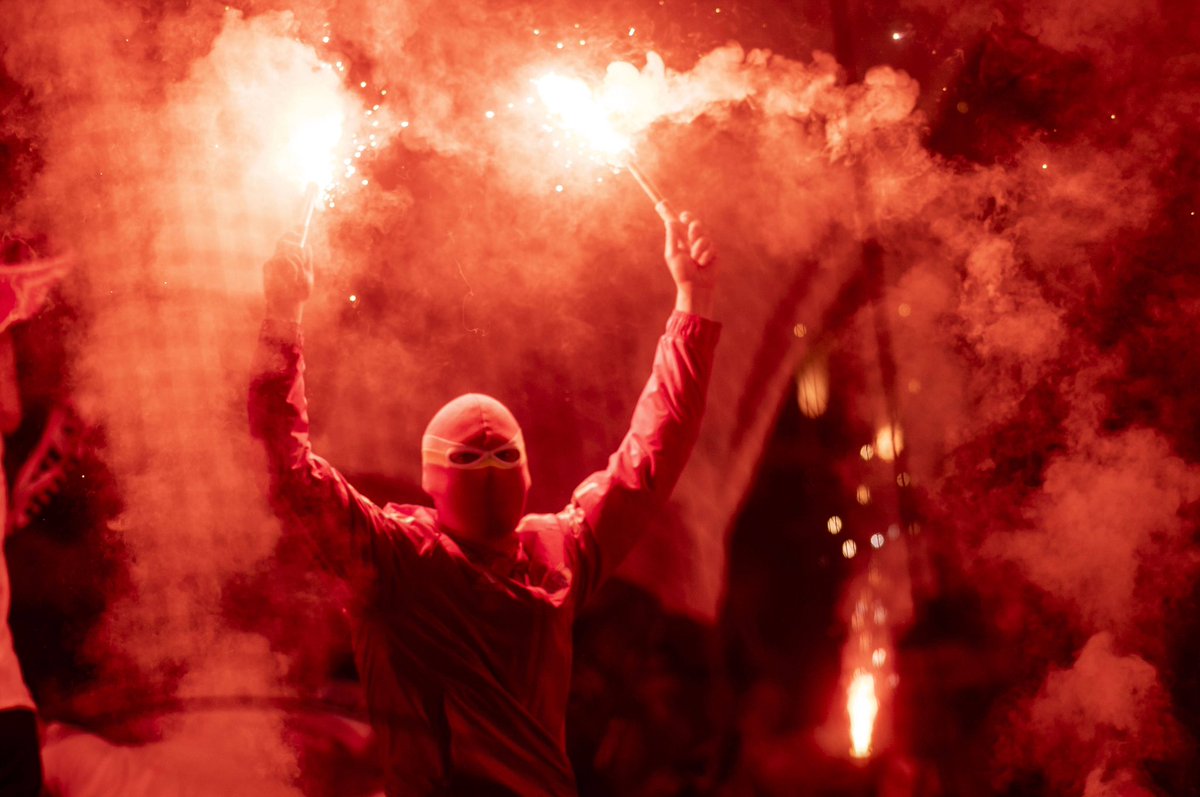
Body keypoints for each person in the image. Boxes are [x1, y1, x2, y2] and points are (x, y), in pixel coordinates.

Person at [249, 212, 721, 796]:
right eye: (477, 462)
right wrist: (692, 301)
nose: (491, 473)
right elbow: (654, 451)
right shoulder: (560, 555)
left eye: (500, 459)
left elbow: (287, 465)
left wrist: (283, 319)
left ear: (429, 480)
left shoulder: (395, 561)